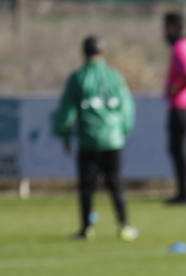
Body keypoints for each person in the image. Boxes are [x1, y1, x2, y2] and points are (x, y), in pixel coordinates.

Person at [52, 35, 137, 241]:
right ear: (102, 52)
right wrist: (123, 130)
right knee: (115, 183)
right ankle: (124, 225)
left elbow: (66, 111)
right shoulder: (115, 76)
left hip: (89, 139)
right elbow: (127, 108)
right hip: (113, 139)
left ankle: (86, 228)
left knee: (87, 186)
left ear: (84, 52)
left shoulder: (78, 78)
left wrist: (63, 134)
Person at [162, 11, 186, 205]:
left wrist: (177, 88)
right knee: (177, 148)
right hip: (183, 103)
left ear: (173, 27)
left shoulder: (182, 46)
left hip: (182, 104)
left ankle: (185, 192)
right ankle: (183, 190)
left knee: (179, 148)